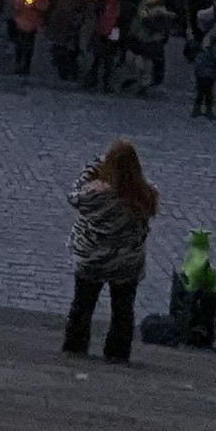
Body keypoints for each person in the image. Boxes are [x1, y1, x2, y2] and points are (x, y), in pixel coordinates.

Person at [62, 137, 157, 363]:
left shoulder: (96, 193)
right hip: (127, 262)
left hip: (93, 258)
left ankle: (75, 348)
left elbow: (73, 196)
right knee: (123, 310)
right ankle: (117, 353)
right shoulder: (145, 193)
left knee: (82, 306)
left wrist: (90, 170)